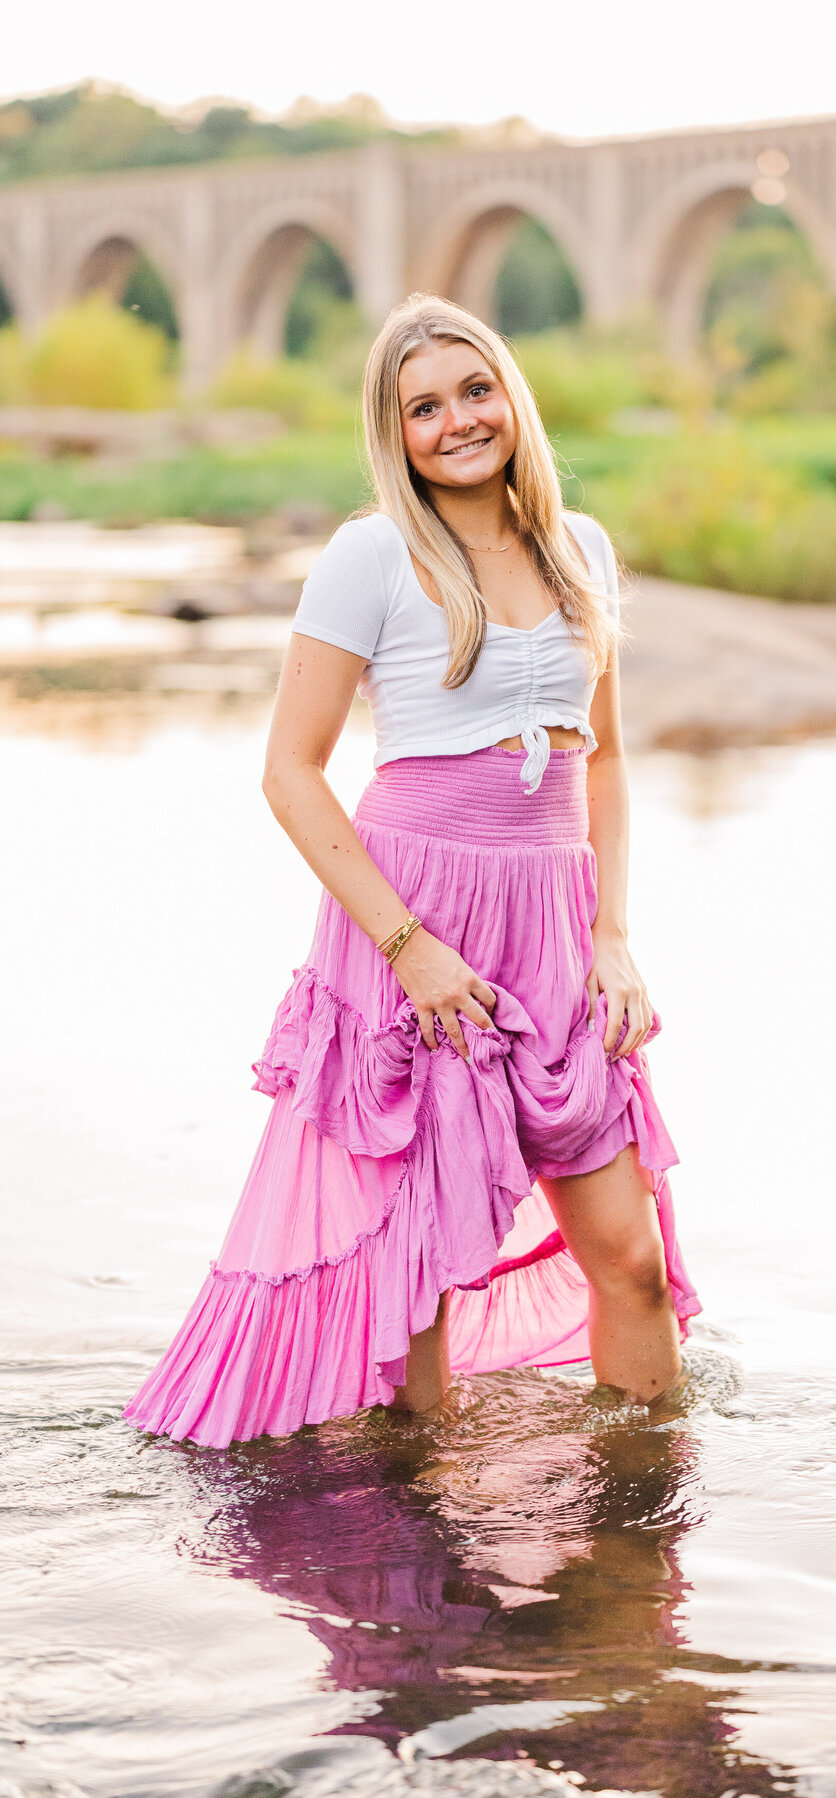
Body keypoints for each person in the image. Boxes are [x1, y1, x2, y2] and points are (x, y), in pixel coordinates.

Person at [124, 294, 701, 1449]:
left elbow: (603, 758)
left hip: (555, 926)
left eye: (475, 391)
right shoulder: (371, 555)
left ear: (511, 397)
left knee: (630, 1261)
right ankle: (410, 1528)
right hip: (414, 922)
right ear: (396, 434)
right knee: (416, 1283)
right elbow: (290, 772)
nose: (457, 421)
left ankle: (637, 1520)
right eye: (423, 407)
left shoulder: (581, 548)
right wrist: (410, 947)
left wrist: (613, 935)